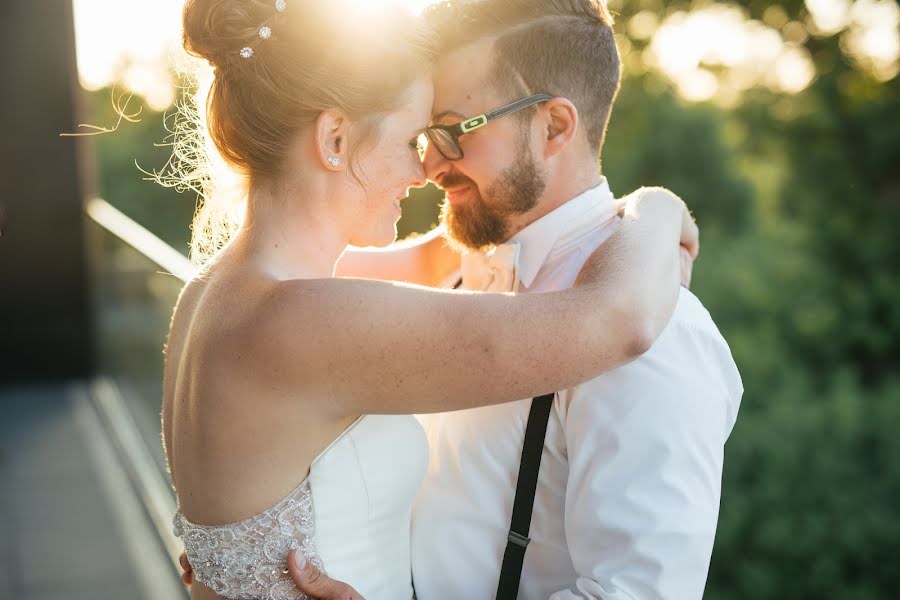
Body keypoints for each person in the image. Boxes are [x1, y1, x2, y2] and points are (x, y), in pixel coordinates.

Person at [166, 1, 695, 599]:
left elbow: (441, 255)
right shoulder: (309, 320)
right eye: (415, 137)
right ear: (334, 138)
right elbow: (618, 319)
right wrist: (658, 208)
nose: (425, 169)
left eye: (444, 134)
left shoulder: (211, 294)